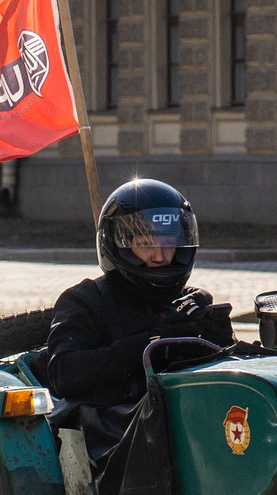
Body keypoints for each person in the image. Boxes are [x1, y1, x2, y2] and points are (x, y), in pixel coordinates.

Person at [37, 180, 234, 471]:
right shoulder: (85, 300)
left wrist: (220, 344)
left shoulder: (195, 301)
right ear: (118, 245)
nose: (160, 256)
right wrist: (152, 343)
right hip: (114, 443)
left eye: (168, 243)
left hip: (195, 432)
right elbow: (65, 374)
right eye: (145, 244)